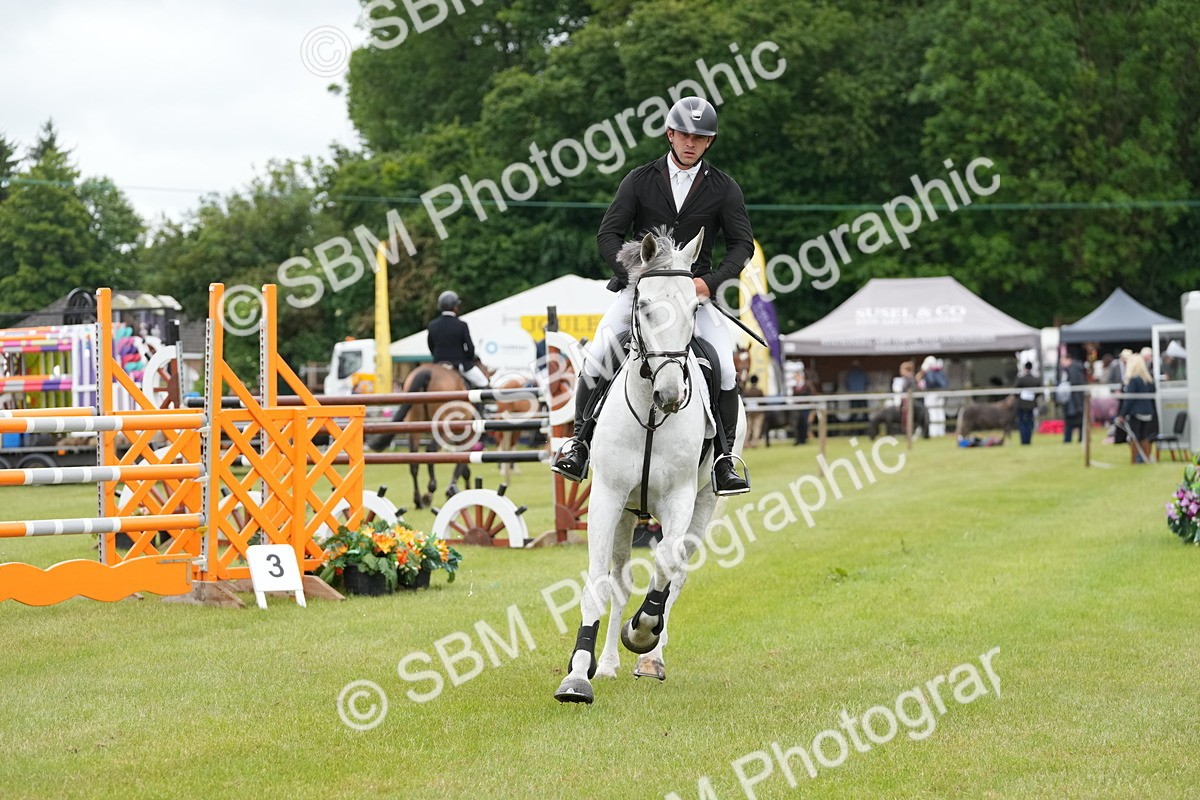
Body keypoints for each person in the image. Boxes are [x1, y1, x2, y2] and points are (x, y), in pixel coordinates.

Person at [551, 96, 754, 495]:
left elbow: (742, 245)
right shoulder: (639, 179)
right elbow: (608, 234)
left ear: (709, 142)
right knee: (598, 354)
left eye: (700, 137)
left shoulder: (723, 187)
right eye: (684, 135)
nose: (691, 143)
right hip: (640, 295)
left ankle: (724, 460)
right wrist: (633, 276)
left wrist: (710, 283)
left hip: (693, 297)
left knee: (727, 368)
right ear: (670, 134)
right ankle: (579, 444)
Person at [427, 290, 489, 389]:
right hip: (458, 364)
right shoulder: (461, 325)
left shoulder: (432, 325)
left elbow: (431, 346)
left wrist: (438, 357)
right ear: (455, 307)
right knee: (483, 382)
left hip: (438, 363)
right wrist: (468, 358)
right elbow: (470, 347)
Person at [1116, 354, 1157, 463]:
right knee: (1144, 436)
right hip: (1148, 412)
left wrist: (1122, 414)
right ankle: (1146, 458)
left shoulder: (1134, 380)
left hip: (1136, 413)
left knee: (1134, 437)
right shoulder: (1148, 380)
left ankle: (1134, 461)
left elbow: (1129, 399)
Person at [1060, 352, 1087, 443]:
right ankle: (1079, 438)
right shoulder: (1077, 368)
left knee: (1071, 421)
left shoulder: (1072, 369)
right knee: (1079, 421)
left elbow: (1073, 384)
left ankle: (1068, 439)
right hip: (1077, 400)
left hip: (1074, 401)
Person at [1014, 361, 1040, 445]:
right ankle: (1028, 440)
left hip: (1021, 404)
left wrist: (1018, 397)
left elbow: (1015, 390)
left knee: (1022, 422)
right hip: (1031, 404)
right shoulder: (1035, 380)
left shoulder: (1021, 379)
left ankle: (1023, 440)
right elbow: (1039, 391)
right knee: (1029, 421)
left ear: (1025, 368)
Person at [743, 375, 766, 448]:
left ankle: (745, 443)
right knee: (757, 427)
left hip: (749, 412)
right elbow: (763, 402)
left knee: (748, 428)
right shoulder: (759, 391)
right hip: (758, 412)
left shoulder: (747, 391)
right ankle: (754, 443)